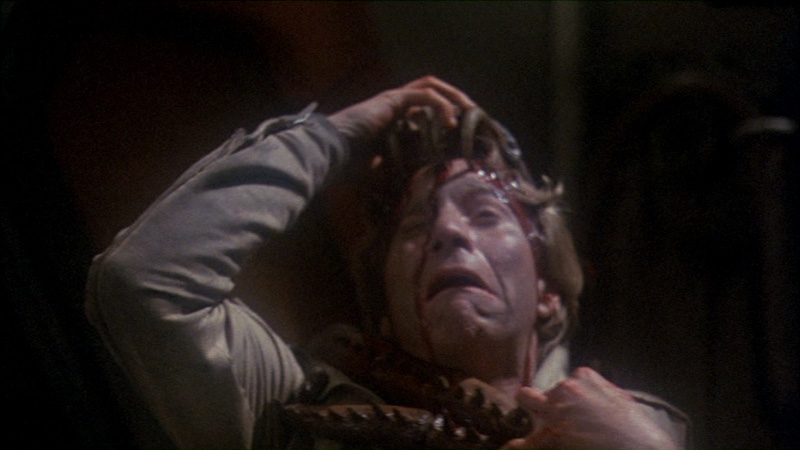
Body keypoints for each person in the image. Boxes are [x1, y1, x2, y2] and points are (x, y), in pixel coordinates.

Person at [86, 76, 689, 449]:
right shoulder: (292, 408)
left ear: (549, 290)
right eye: (416, 226)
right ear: (384, 310)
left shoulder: (637, 428)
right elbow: (145, 280)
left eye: (485, 214)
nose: (448, 232)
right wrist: (331, 137)